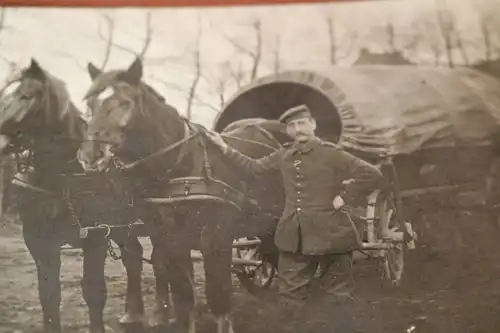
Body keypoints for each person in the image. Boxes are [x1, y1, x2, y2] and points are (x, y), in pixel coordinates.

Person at [206, 104, 385, 329]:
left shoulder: (332, 153)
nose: (297, 129)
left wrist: (345, 197)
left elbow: (372, 174)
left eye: (302, 123)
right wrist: (224, 147)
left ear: (313, 125)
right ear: (287, 131)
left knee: (338, 296)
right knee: (290, 298)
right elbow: (253, 167)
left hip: (332, 234)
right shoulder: (283, 155)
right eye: (291, 126)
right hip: (294, 235)